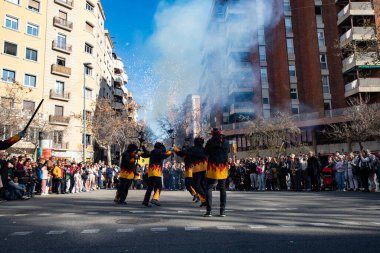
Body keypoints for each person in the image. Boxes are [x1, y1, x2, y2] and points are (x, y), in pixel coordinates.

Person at [204, 128, 229, 217]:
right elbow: (228, 152)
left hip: (212, 167)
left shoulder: (210, 142)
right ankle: (222, 211)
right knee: (222, 188)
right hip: (223, 167)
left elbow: (205, 152)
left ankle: (209, 211)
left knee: (209, 188)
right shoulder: (226, 142)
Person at [141, 141, 173, 207]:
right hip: (156, 171)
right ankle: (155, 199)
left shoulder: (152, 151)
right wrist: (170, 150)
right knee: (159, 186)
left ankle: (145, 201)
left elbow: (146, 153)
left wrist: (142, 147)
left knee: (150, 187)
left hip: (150, 172)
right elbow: (165, 155)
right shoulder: (159, 151)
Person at [174, 138, 199, 202]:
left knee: (188, 184)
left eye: (186, 141)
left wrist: (174, 147)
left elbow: (181, 153)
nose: (185, 143)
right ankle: (197, 195)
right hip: (192, 168)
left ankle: (197, 195)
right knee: (191, 184)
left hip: (190, 167)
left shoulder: (187, 148)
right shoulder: (192, 148)